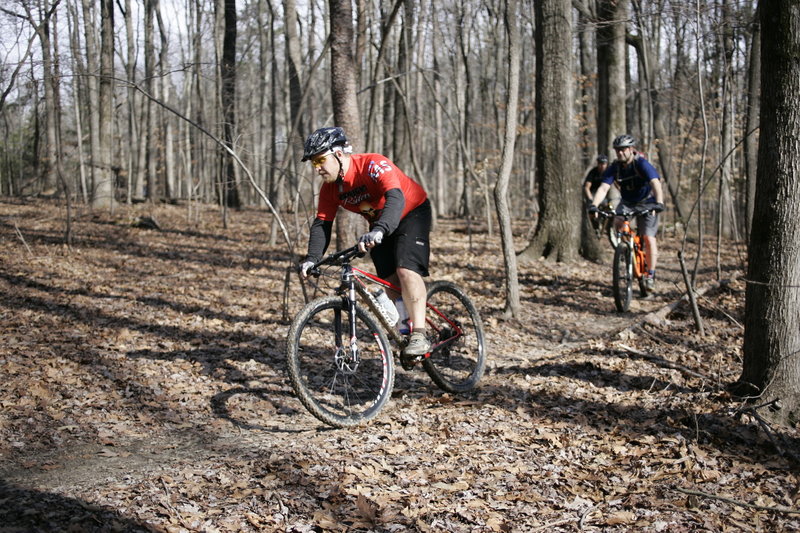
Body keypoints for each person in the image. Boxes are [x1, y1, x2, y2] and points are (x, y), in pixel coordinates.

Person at [298, 126, 433, 358]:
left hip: (412, 211)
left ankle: (419, 333)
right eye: (313, 163)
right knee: (388, 280)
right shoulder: (330, 190)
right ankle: (406, 325)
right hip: (381, 222)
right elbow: (322, 223)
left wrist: (380, 230)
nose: (318, 168)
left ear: (339, 154)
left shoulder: (372, 164)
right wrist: (312, 259)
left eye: (321, 160)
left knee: (405, 271)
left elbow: (395, 196)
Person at [587, 134, 665, 290]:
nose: (620, 153)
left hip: (647, 203)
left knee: (649, 238)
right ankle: (626, 249)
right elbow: (603, 188)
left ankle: (650, 274)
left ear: (631, 149)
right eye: (617, 150)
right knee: (617, 221)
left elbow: (655, 183)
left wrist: (659, 203)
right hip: (628, 203)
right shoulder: (614, 167)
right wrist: (594, 205)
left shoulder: (641, 164)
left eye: (623, 150)